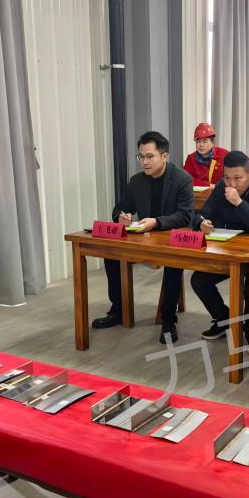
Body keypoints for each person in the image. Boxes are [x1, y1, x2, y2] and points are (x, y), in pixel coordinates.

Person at [91, 131, 193, 344]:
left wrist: (156, 222)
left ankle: (168, 319)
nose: (144, 162)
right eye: (141, 157)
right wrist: (122, 217)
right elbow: (121, 207)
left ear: (164, 156)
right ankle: (118, 310)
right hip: (143, 237)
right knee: (111, 255)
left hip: (169, 238)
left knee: (173, 263)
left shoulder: (182, 179)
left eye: (149, 156)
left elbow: (185, 215)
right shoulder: (136, 181)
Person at [190, 151, 249, 339]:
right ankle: (224, 320)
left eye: (238, 178)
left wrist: (239, 203)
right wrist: (201, 223)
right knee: (199, 281)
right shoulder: (222, 187)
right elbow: (202, 213)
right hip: (231, 251)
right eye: (227, 178)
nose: (231, 184)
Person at [182, 123, 229, 187]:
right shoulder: (191, 158)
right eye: (198, 141)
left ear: (213, 143)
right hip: (199, 193)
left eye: (205, 141)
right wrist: (209, 185)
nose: (201, 145)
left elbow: (231, 176)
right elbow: (186, 180)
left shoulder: (224, 154)